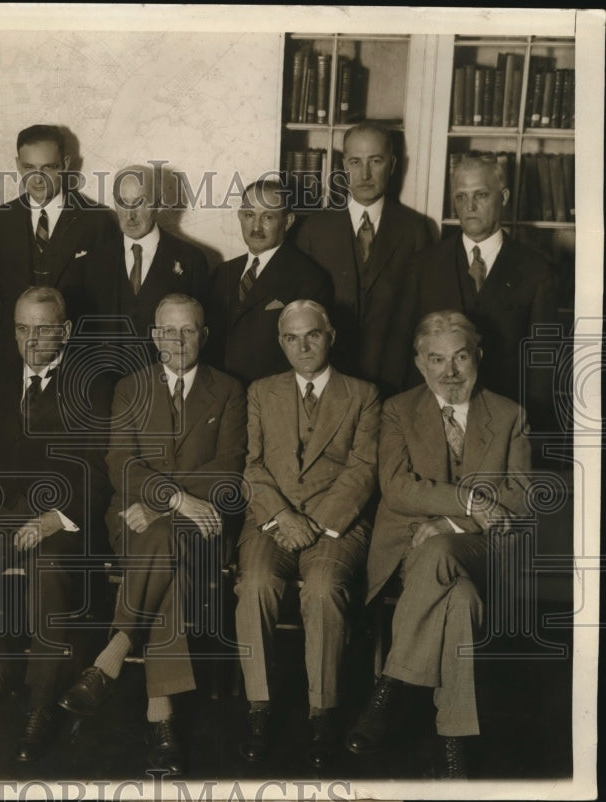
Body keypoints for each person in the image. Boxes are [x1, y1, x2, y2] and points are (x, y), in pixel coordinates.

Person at [57, 294, 247, 776]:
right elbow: (121, 461)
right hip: (137, 519)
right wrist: (173, 500)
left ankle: (117, 652)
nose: (177, 340)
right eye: (167, 331)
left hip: (197, 523)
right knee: (168, 559)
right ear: (153, 335)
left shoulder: (228, 390)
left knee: (166, 544)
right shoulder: (130, 387)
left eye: (188, 331)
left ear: (204, 335)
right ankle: (159, 715)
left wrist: (165, 503)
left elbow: (228, 468)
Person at [345, 310, 532, 778]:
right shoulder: (397, 410)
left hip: (480, 547)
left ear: (478, 356)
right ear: (419, 363)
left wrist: (451, 522)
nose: (450, 372)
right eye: (436, 359)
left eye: (460, 357)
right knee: (460, 601)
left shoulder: (509, 414)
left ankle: (387, 686)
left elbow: (522, 497)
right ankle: (453, 741)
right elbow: (397, 487)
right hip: (408, 548)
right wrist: (469, 499)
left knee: (439, 550)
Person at [0, 286, 112, 762]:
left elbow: (98, 471)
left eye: (42, 329)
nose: (30, 340)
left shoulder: (93, 384)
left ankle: (39, 702)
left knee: (49, 570)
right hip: (2, 515)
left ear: (66, 331)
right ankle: (3, 661)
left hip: (64, 520)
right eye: (21, 329)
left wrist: (55, 519)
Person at [235, 300, 380, 769]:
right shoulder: (260, 392)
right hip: (270, 520)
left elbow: (363, 469)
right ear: (281, 342)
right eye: (292, 338)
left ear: (330, 335)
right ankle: (258, 707)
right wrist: (280, 516)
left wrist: (316, 523)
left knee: (321, 589)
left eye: (312, 335)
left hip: (335, 525)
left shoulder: (363, 394)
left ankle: (322, 711)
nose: (303, 346)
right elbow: (251, 465)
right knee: (254, 584)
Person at [411, 154, 557, 424]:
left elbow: (541, 365)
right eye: (461, 197)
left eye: (480, 195)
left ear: (503, 197)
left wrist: (531, 427)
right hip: (437, 414)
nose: (469, 206)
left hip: (506, 417)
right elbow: (410, 353)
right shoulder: (425, 264)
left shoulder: (535, 269)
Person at [295, 122, 432, 396]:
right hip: (328, 379)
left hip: (393, 380)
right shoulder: (315, 228)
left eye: (376, 161)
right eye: (355, 162)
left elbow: (423, 314)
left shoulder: (415, 229)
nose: (365, 173)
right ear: (343, 165)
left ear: (392, 165)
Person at [0, 124, 117, 359]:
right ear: (18, 165)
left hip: (79, 361)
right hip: (16, 363)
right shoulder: (2, 219)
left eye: (48, 168)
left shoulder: (97, 221)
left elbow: (107, 305)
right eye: (29, 168)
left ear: (66, 165)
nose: (38, 179)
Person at [206, 178, 333, 386]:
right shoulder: (223, 272)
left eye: (268, 217)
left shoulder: (308, 277)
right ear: (240, 216)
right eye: (249, 215)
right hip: (222, 396)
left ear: (288, 221)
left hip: (272, 399)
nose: (256, 227)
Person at [86, 164, 209, 366]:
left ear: (159, 203)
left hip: (165, 387)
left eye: (140, 203)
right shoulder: (94, 262)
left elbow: (200, 339)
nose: (130, 214)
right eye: (122, 203)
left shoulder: (191, 260)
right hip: (107, 387)